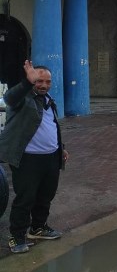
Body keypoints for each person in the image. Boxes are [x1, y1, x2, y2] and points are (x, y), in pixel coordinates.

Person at [0, 60, 69, 254]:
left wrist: (60, 148)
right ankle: (17, 236)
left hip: (50, 157)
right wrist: (27, 84)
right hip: (28, 159)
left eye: (47, 81)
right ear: (32, 80)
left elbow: (52, 125)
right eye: (39, 81)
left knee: (45, 195)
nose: (44, 85)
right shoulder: (23, 98)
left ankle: (38, 227)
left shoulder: (49, 99)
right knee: (25, 198)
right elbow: (10, 98)